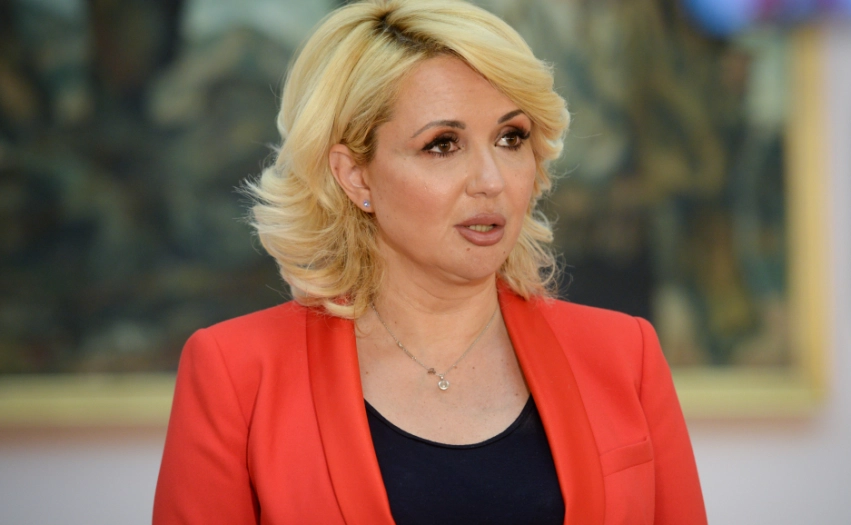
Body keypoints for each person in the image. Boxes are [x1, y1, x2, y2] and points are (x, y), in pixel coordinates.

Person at [153, 0, 707, 523]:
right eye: (443, 144)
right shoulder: (236, 376)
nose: (491, 181)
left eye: (510, 138)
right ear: (355, 176)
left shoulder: (625, 356)